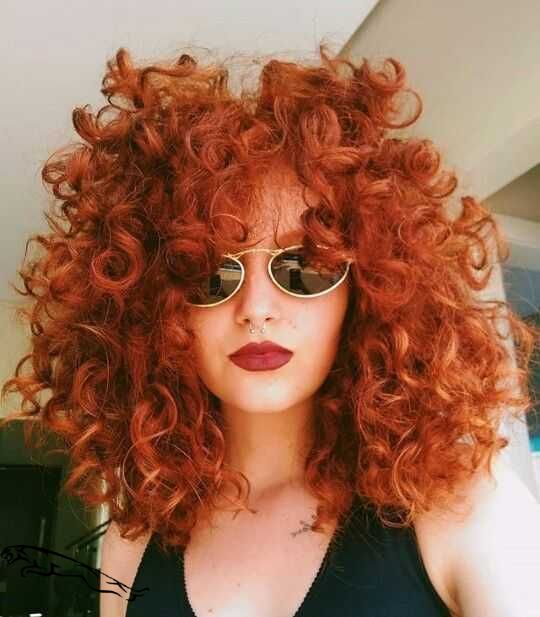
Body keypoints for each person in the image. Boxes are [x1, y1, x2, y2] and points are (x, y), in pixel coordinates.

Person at [1, 42, 539, 617]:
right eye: (210, 274)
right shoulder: (133, 541)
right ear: (155, 310)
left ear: (371, 290)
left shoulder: (460, 509)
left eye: (304, 267)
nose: (256, 308)